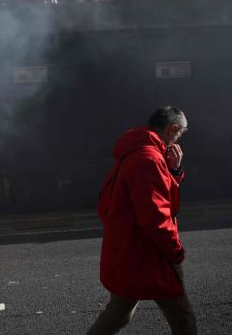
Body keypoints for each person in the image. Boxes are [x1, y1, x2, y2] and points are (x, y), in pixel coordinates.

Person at [87, 106, 196, 335]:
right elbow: (156, 216)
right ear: (172, 128)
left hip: (128, 252)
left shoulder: (135, 152)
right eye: (179, 135)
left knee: (118, 313)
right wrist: (176, 252)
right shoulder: (150, 159)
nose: (177, 141)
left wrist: (174, 171)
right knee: (182, 317)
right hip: (149, 253)